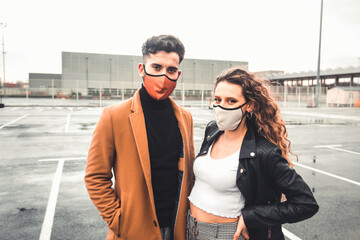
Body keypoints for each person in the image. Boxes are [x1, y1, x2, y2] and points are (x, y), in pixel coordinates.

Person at [187, 67, 319, 240]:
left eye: (231, 101)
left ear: (250, 105)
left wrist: (253, 216)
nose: (221, 107)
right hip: (191, 229)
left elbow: (306, 204)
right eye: (217, 99)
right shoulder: (212, 130)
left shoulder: (265, 152)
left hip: (228, 234)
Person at [85, 35, 195, 240]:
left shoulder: (185, 118)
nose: (164, 76)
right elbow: (95, 177)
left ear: (178, 73)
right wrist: (118, 221)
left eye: (171, 70)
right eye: (156, 67)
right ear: (141, 69)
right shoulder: (114, 116)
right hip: (133, 231)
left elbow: (189, 173)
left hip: (175, 228)